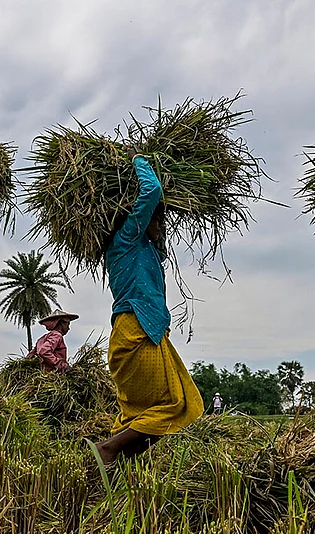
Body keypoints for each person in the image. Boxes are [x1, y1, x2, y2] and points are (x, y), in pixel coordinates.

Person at [94, 147, 204, 465]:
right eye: (159, 219)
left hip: (149, 331)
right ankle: (109, 449)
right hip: (135, 330)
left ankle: (121, 464)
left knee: (177, 403)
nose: (161, 226)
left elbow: (160, 245)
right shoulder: (126, 240)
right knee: (173, 402)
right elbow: (152, 190)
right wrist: (139, 160)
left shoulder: (149, 251)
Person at [28, 309, 79, 373]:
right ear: (61, 323)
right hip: (53, 374)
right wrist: (61, 365)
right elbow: (44, 351)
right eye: (67, 324)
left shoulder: (42, 338)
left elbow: (30, 356)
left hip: (43, 374)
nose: (68, 328)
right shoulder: (57, 336)